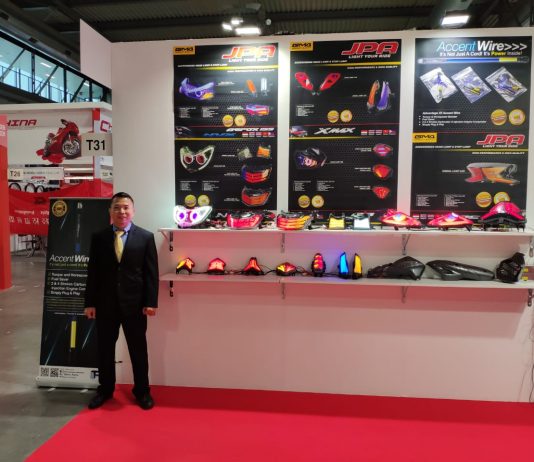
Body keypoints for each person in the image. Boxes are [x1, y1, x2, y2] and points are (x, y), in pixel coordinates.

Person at [84, 192, 159, 410]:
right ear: (110, 211)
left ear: (133, 211)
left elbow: (151, 273)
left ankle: (142, 391)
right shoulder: (99, 238)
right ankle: (105, 390)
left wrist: (151, 302)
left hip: (135, 306)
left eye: (126, 207)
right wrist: (90, 303)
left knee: (138, 350)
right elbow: (93, 272)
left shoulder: (145, 237)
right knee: (105, 349)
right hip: (105, 305)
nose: (121, 212)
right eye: (117, 207)